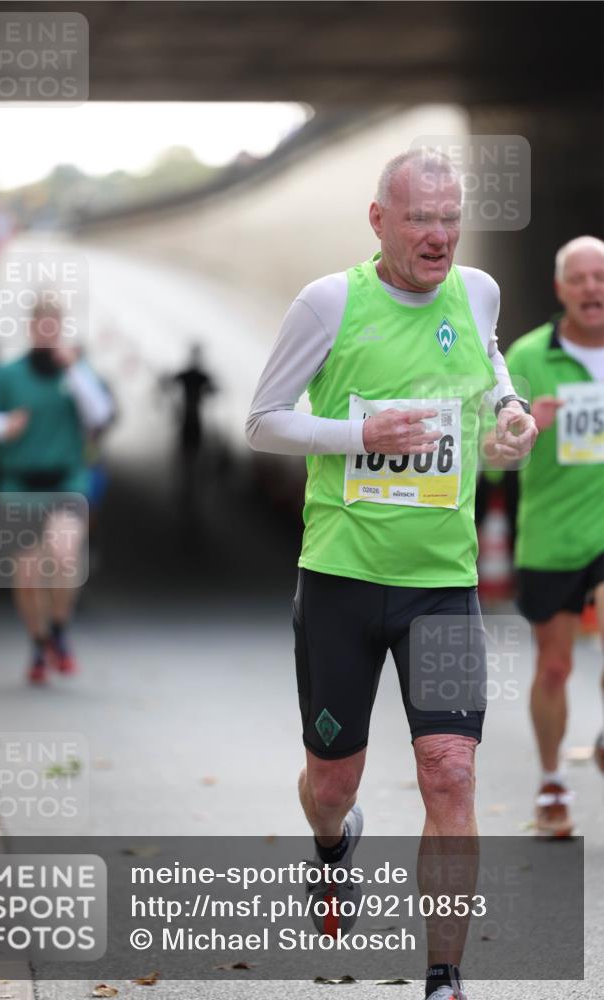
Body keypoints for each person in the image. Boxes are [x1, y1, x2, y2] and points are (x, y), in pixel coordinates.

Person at [246, 149, 537, 1000]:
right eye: (420, 218)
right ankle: (333, 844)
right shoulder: (328, 302)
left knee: (449, 769)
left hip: (441, 586)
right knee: (331, 781)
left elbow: (491, 374)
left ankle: (443, 975)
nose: (438, 235)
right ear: (379, 221)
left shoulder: (477, 290)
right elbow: (264, 422)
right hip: (340, 575)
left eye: (450, 218)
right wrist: (357, 437)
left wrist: (512, 415)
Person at [504, 235, 604, 837]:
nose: (593, 287)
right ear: (559, 288)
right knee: (556, 669)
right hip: (552, 535)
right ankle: (551, 784)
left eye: (601, 276)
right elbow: (490, 460)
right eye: (580, 278)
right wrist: (523, 433)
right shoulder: (526, 356)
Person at [0, 298, 114, 684]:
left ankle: (60, 631)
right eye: (41, 326)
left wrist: (75, 371)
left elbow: (101, 415)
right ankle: (38, 641)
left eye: (54, 326)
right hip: (19, 484)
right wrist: (4, 427)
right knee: (29, 575)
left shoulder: (76, 372)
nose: (48, 333)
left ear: (61, 328)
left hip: (66, 480)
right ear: (32, 328)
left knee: (65, 557)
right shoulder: (8, 375)